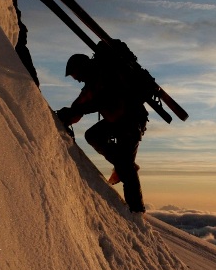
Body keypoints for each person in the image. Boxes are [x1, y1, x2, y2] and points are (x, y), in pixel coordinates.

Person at [56, 47, 149, 214]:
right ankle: (122, 163)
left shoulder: (106, 75)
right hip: (121, 121)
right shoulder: (94, 81)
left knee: (126, 168)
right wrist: (67, 115)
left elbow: (103, 104)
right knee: (94, 136)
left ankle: (136, 212)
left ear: (81, 68)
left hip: (131, 121)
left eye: (76, 75)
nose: (77, 80)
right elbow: (81, 104)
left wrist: (77, 111)